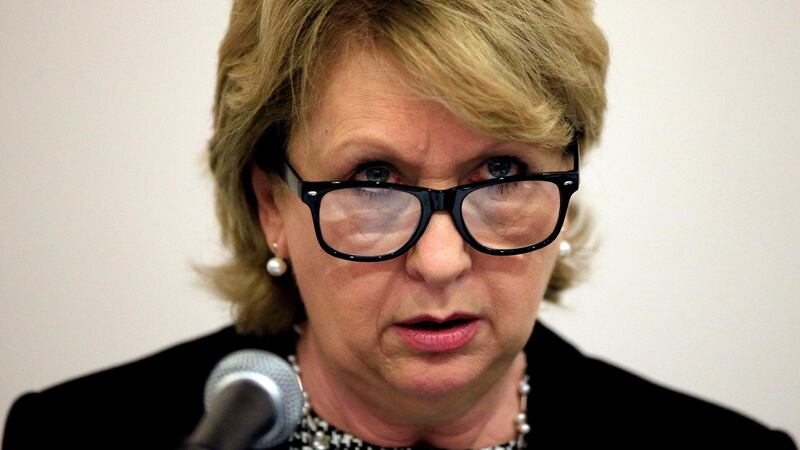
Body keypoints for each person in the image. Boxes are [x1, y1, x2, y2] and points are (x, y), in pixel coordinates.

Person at [2, 1, 796, 449]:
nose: (444, 260)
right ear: (272, 206)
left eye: (502, 174)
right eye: (374, 181)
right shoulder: (74, 446)